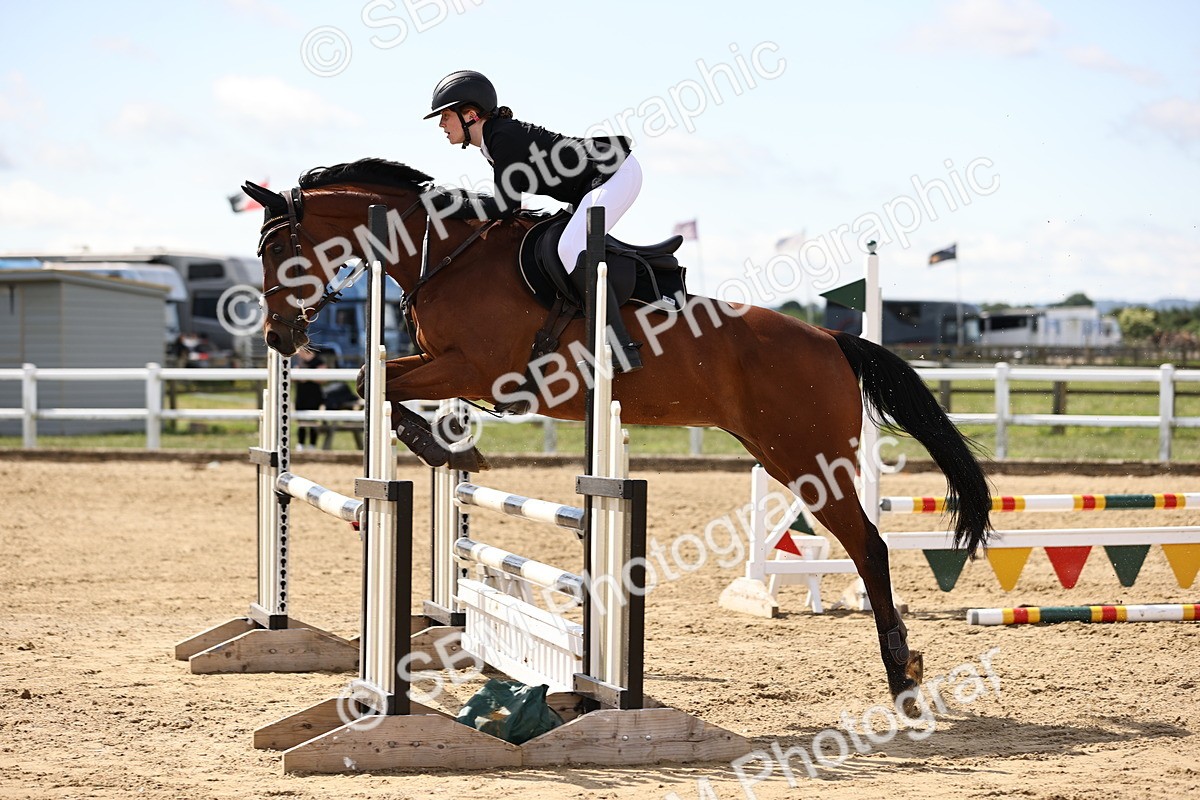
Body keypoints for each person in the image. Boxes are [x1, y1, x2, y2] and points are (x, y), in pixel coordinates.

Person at [423, 69, 643, 372]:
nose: (441, 124)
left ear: (470, 114)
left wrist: (449, 204)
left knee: (569, 249)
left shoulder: (502, 137)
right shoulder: (493, 139)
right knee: (558, 246)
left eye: (445, 116)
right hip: (592, 184)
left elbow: (505, 205)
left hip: (614, 174)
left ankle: (619, 346)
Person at [292, 348, 330, 450]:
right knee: (301, 421)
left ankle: (312, 444)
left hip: (314, 395)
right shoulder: (300, 361)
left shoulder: (318, 361)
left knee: (313, 421)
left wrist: (307, 377)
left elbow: (323, 378)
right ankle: (300, 443)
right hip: (301, 395)